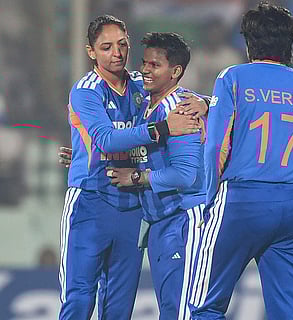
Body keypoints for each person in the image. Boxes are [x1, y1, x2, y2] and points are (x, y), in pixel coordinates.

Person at [188, 3, 293, 319]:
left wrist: (208, 198)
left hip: (240, 202)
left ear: (247, 42)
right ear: (290, 44)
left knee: (205, 307)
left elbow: (216, 146)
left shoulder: (233, 77)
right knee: (289, 314)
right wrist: (290, 175)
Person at [59, 15, 205, 320]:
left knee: (118, 306)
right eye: (106, 47)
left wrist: (206, 103)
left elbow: (180, 94)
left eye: (123, 44)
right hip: (90, 201)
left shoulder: (142, 83)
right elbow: (107, 139)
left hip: (131, 205)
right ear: (91, 52)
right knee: (79, 299)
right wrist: (162, 129)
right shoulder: (86, 90)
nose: (117, 53)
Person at [106, 32, 207, 320]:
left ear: (175, 71)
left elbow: (186, 175)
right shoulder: (148, 106)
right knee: (171, 308)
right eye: (144, 63)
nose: (146, 71)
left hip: (183, 219)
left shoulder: (181, 110)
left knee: (180, 310)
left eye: (155, 65)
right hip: (162, 221)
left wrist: (137, 178)